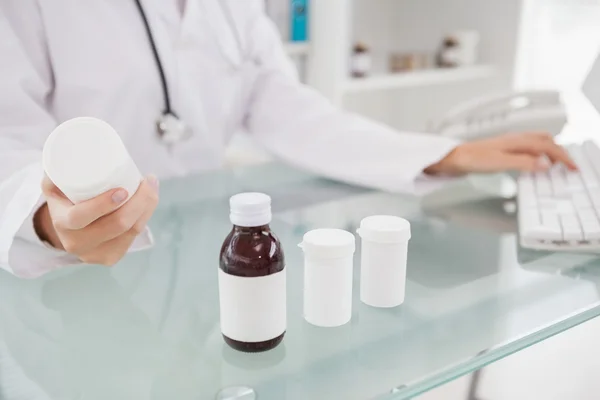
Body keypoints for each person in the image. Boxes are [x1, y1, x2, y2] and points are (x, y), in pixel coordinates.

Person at [0, 0, 575, 278]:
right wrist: (48, 218)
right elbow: (9, 136)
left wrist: (443, 153)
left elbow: (289, 110)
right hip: (69, 274)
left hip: (200, 262)